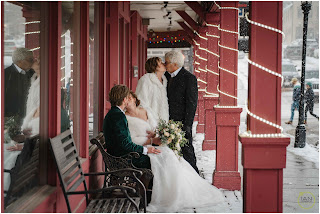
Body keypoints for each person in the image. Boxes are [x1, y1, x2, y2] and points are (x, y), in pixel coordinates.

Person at [125, 91, 227, 213]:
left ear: (135, 99)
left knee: (170, 154)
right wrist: (150, 140)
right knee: (165, 156)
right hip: (145, 148)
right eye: (126, 99)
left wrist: (158, 134)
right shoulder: (127, 119)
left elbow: (156, 126)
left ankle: (180, 191)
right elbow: (133, 140)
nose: (129, 100)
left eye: (131, 97)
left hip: (156, 144)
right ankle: (168, 195)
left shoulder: (145, 110)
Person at [103, 84, 160, 170]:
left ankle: (144, 183)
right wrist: (145, 150)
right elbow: (125, 144)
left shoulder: (113, 113)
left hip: (120, 155)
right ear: (124, 99)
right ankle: (146, 183)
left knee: (156, 157)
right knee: (155, 160)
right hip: (122, 158)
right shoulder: (118, 116)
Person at [164, 51, 199, 173]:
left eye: (166, 62)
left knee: (187, 151)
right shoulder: (167, 77)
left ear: (175, 63)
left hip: (183, 123)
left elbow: (191, 104)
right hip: (170, 123)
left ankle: (195, 175)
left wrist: (187, 125)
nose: (165, 65)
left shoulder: (189, 78)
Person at [5, 48, 35, 126]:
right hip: (10, 119)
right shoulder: (6, 75)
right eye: (30, 60)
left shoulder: (32, 73)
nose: (33, 62)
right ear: (19, 61)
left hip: (28, 117)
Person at [135, 57, 169, 122]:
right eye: (161, 63)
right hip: (150, 121)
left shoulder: (165, 81)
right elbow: (141, 101)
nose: (164, 64)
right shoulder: (145, 80)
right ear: (155, 67)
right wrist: (151, 118)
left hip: (163, 122)